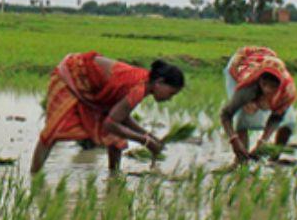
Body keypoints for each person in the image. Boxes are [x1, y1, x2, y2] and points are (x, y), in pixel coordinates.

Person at [31, 53, 185, 173]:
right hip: (72, 75)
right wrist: (144, 141)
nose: (169, 98)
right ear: (159, 83)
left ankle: (114, 177)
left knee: (116, 139)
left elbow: (121, 116)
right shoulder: (139, 88)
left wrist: (148, 136)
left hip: (91, 87)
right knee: (53, 131)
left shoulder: (143, 84)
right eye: (170, 93)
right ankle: (34, 176)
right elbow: (111, 123)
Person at [218, 46, 297, 163]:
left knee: (289, 121)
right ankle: (241, 160)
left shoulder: (287, 91)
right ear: (260, 80)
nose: (268, 90)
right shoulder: (247, 86)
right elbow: (226, 114)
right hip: (241, 63)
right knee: (243, 116)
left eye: (273, 86)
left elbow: (277, 117)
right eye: (265, 84)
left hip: (268, 58)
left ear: (280, 84)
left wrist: (263, 141)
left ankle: (274, 159)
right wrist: (234, 140)